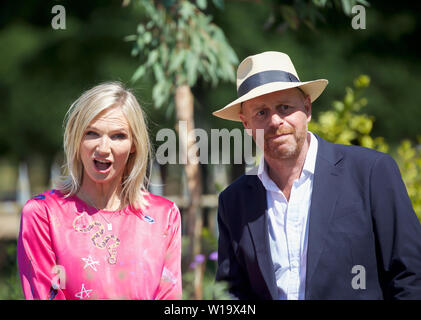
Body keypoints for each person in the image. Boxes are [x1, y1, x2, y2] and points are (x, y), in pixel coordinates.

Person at [212, 51, 421, 300]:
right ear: (246, 124)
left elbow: (410, 277)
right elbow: (231, 295)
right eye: (261, 113)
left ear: (307, 109)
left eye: (284, 107)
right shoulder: (233, 202)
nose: (275, 120)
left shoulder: (371, 173)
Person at [17, 82, 182, 300]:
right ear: (76, 138)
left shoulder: (165, 216)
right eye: (92, 133)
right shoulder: (42, 213)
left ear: (134, 144)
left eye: (118, 136)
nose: (103, 148)